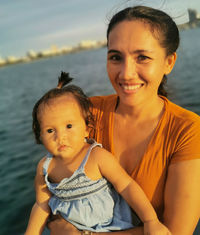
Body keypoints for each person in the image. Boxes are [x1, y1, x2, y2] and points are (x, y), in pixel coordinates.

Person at [47, 5, 200, 235]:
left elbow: (176, 231)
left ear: (169, 62)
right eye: (116, 57)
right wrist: (56, 222)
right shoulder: (87, 113)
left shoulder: (187, 131)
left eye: (143, 58)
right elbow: (53, 194)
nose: (126, 73)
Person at [25, 72, 171, 235]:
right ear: (40, 136)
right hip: (70, 228)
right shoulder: (45, 167)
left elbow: (127, 186)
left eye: (69, 126)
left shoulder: (96, 157)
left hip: (111, 227)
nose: (61, 137)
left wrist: (150, 220)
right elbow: (41, 204)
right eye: (50, 130)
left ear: (87, 129)